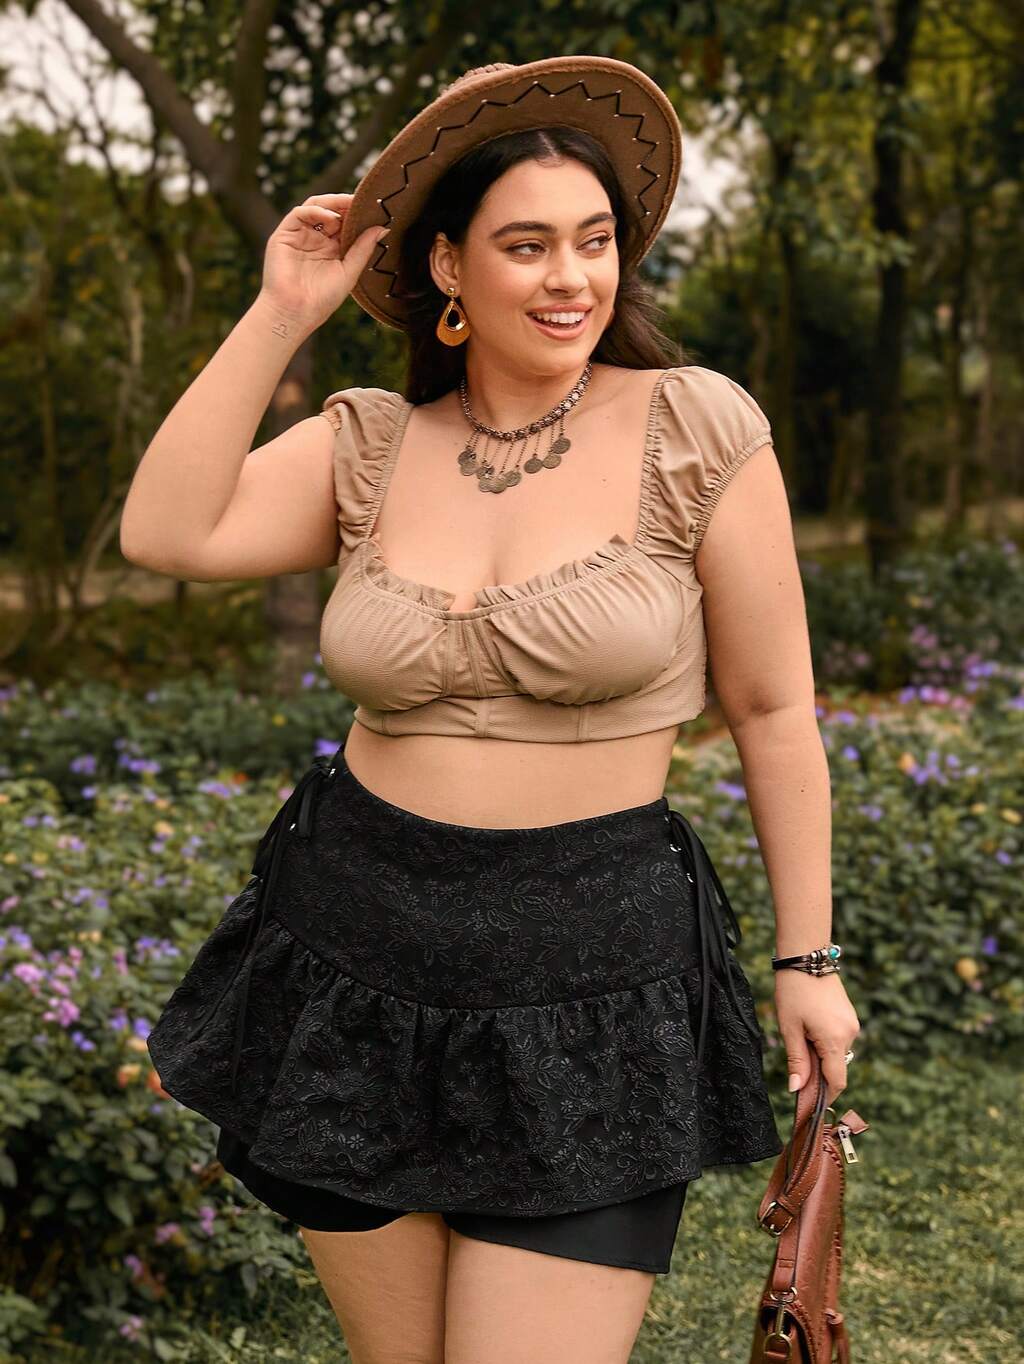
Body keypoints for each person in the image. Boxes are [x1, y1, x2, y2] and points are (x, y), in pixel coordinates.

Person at [128, 56, 861, 1364]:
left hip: (592, 973)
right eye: (527, 246)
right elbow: (168, 531)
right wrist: (282, 313)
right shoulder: (368, 444)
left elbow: (772, 709)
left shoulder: (695, 429)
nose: (572, 277)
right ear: (449, 268)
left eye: (596, 240)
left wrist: (808, 960)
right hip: (354, 956)